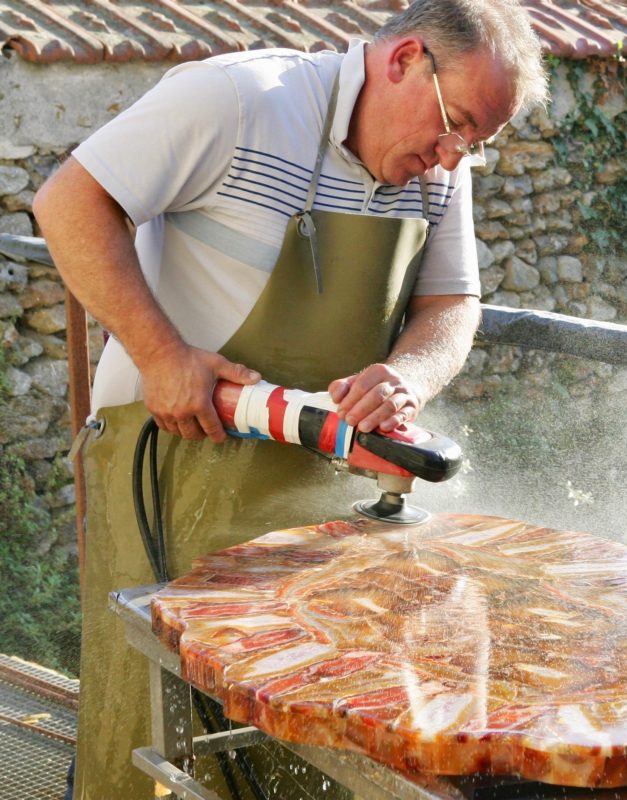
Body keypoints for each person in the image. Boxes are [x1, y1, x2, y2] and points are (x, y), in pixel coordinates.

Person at [32, 0, 548, 797]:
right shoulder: (238, 100)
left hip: (321, 498)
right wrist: (162, 355)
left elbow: (453, 305)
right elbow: (68, 203)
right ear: (404, 58)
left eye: (475, 143)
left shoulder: (441, 173)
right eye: (455, 126)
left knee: (298, 738)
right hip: (172, 464)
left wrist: (408, 376)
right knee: (151, 733)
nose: (452, 159)